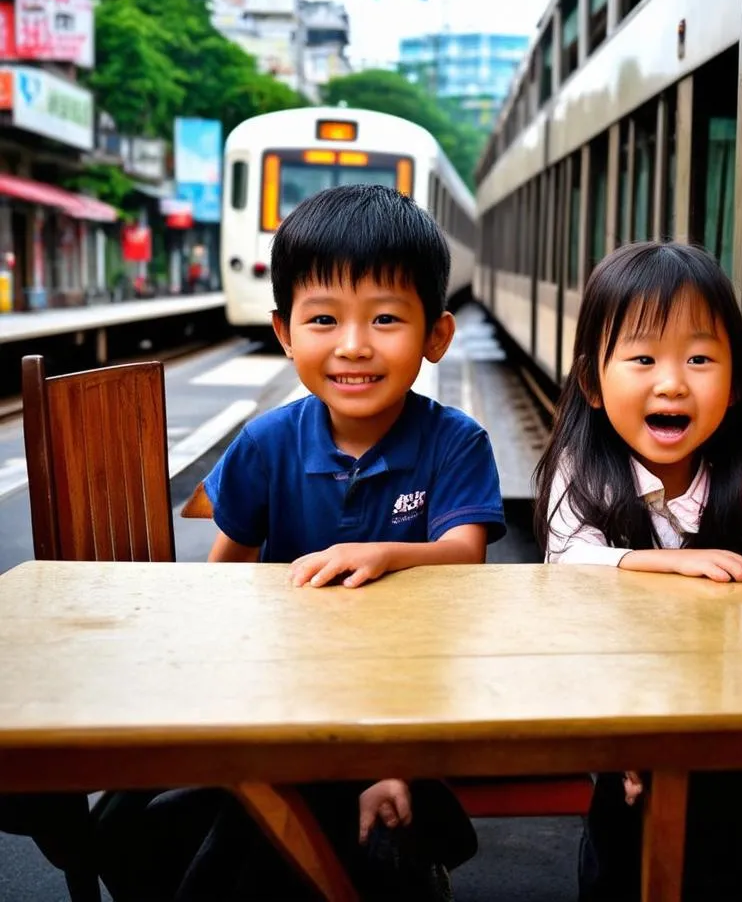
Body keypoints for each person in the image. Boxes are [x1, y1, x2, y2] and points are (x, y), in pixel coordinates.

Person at [97, 185, 505, 901]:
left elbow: (465, 554)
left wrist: (383, 553)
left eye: (385, 318)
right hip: (280, 693)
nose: (353, 346)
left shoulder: (456, 442)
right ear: (285, 332)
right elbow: (223, 585)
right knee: (163, 815)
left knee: (301, 819)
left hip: (404, 693)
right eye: (323, 320)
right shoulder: (265, 443)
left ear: (435, 336)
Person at [533, 241, 742, 902]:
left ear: (732, 385)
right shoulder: (581, 475)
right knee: (622, 859)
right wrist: (673, 562)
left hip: (733, 727)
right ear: (592, 381)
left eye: (700, 360)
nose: (672, 383)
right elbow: (567, 561)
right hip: (621, 720)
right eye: (642, 359)